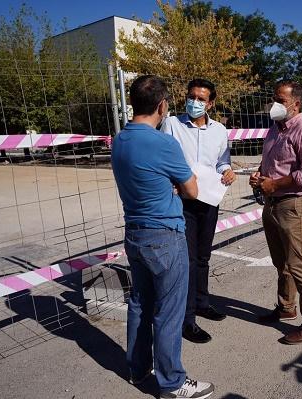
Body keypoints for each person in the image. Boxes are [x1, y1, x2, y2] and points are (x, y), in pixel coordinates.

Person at [112, 75, 214, 398]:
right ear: (161, 105)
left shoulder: (120, 140)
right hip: (166, 236)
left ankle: (138, 368)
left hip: (135, 233)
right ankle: (171, 381)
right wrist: (176, 182)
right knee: (169, 310)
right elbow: (193, 189)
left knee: (140, 302)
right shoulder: (164, 143)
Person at [161, 78, 236, 344]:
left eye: (201, 99)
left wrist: (226, 171)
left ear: (211, 103)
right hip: (181, 200)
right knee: (188, 261)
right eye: (192, 96)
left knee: (203, 256)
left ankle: (202, 303)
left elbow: (221, 161)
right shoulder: (171, 124)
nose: (195, 102)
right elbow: (164, 157)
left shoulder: (219, 130)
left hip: (208, 199)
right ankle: (186, 319)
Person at [249, 80, 302, 344]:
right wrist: (261, 175)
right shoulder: (274, 128)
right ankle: (286, 307)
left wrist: (275, 183)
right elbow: (270, 160)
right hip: (272, 203)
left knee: (298, 265)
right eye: (274, 99)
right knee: (281, 262)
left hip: (293, 204)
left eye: (281, 100)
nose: (275, 105)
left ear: (296, 104)